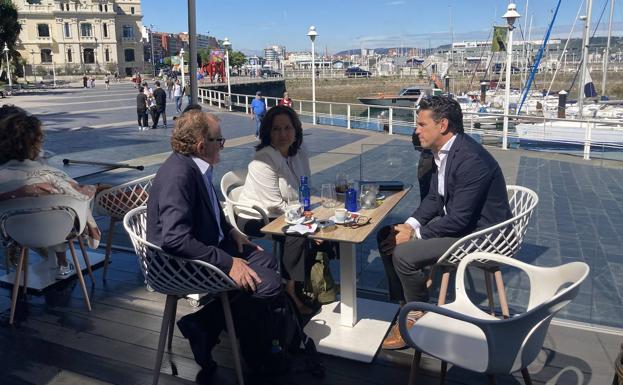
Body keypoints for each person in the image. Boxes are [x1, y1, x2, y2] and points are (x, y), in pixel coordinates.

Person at [146, 110, 281, 374]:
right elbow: (174, 239)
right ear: (201, 145)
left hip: (207, 244)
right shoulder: (180, 175)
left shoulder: (195, 166)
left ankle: (204, 325)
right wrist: (229, 262)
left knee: (267, 261)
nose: (222, 145)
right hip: (178, 263)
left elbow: (210, 209)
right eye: (219, 140)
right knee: (269, 286)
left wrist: (231, 230)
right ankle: (251, 352)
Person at [377, 96, 513, 350]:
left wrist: (415, 237)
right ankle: (406, 305)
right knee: (388, 234)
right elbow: (434, 198)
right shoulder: (445, 152)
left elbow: (459, 219)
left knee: (404, 254)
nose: (415, 131)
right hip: (463, 228)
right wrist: (409, 225)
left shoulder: (471, 160)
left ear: (442, 126)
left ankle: (418, 314)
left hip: (482, 236)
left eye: (421, 125)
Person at [0, 106, 102, 279]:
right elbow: (81, 196)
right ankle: (62, 263)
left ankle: (16, 251)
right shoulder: (52, 176)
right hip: (58, 231)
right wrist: (95, 188)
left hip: (11, 233)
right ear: (35, 143)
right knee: (61, 209)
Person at [237, 105, 322, 314]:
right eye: (276, 129)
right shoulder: (263, 159)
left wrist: (313, 215)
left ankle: (310, 283)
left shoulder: (299, 152)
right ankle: (290, 289)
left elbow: (305, 187)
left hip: (287, 211)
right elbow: (275, 205)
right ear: (268, 132)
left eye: (287, 128)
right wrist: (308, 220)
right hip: (255, 216)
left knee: (320, 231)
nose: (283, 134)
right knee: (297, 234)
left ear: (296, 130)